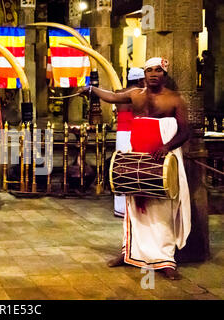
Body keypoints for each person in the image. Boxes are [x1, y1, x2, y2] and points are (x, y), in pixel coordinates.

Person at [78, 57, 191, 280]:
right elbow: (111, 96)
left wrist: (167, 147)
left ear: (164, 74)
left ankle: (165, 260)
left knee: (162, 208)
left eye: (158, 70)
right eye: (149, 70)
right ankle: (129, 253)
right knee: (134, 203)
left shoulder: (175, 99)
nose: (153, 74)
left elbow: (186, 131)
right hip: (137, 154)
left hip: (161, 156)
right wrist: (90, 89)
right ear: (144, 75)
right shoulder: (134, 94)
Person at [113, 68, 145, 218]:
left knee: (121, 167)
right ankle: (130, 207)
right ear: (140, 80)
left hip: (120, 134)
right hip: (134, 133)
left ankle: (119, 207)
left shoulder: (119, 92)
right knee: (134, 167)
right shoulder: (139, 94)